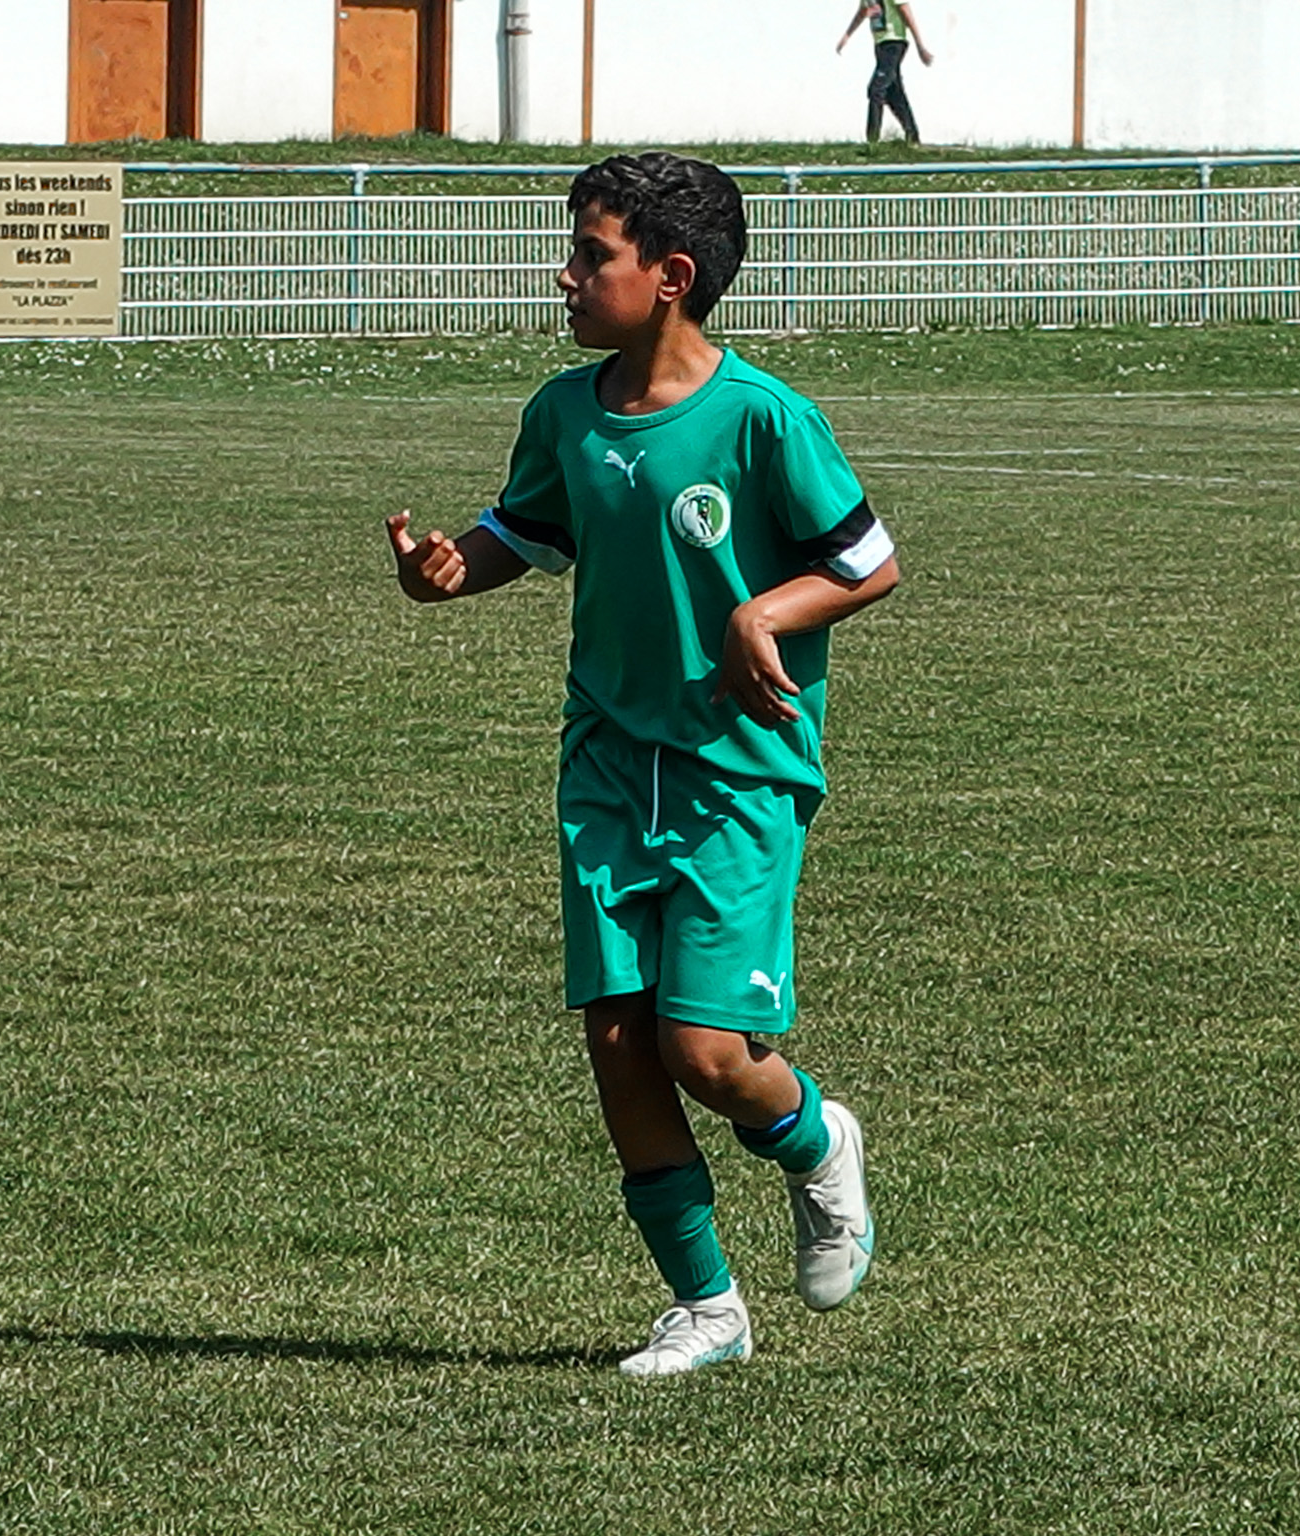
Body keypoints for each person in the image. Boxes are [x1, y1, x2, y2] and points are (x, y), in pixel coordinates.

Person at [385, 152, 900, 1378]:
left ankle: (815, 1138)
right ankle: (706, 1307)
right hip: (608, 765)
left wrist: (760, 614)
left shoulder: (763, 418)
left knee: (704, 1051)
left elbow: (868, 561)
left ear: (669, 278)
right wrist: (455, 566)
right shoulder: (564, 409)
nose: (564, 275)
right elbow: (528, 528)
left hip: (738, 774)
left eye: (589, 255)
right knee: (617, 1040)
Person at [837, 0, 934, 144]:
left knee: (876, 89)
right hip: (880, 44)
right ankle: (913, 136)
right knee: (894, 93)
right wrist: (846, 36)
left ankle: (872, 140)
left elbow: (906, 11)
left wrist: (920, 46)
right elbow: (863, 12)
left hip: (894, 42)